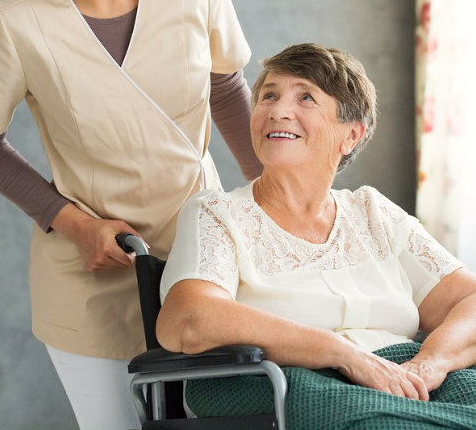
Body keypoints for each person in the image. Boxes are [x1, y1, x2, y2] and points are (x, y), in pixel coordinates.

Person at [0, 0, 262, 427]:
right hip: (93, 270)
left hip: (205, 253)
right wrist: (73, 225)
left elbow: (225, 87)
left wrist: (274, 200)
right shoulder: (17, 22)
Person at [157, 43, 476, 428]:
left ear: (351, 135)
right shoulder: (218, 213)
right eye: (268, 96)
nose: (277, 110)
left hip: (399, 374)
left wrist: (432, 362)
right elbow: (189, 319)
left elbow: (469, 300)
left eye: (305, 97)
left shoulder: (374, 213)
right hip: (279, 381)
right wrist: (342, 353)